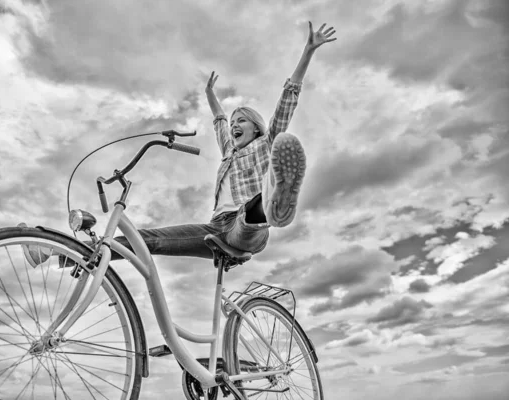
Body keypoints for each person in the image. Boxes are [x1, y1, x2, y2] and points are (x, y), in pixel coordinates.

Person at [22, 21, 336, 266]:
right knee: (148, 239)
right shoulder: (229, 151)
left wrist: (307, 53)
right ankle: (54, 253)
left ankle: (275, 199)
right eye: (235, 120)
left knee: (249, 218)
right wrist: (211, 96)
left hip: (247, 226)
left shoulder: (264, 144)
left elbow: (285, 106)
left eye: (243, 121)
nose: (236, 124)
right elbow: (219, 121)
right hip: (215, 228)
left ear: (256, 129)